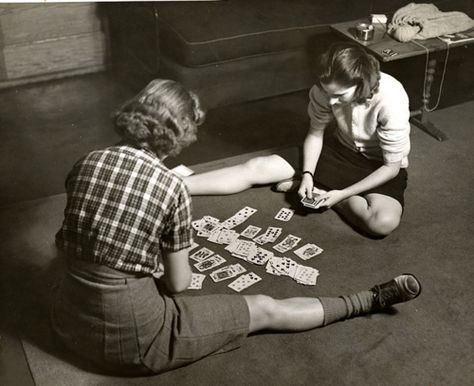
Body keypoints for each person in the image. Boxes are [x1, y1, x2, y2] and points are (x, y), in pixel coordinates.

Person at [51, 79, 421, 376]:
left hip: (67, 322)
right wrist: (158, 264)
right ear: (180, 135)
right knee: (262, 308)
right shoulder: (171, 187)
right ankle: (368, 300)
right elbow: (179, 286)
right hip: (133, 343)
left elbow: (72, 237)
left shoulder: (89, 159)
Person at [185, 42, 411, 237]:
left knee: (383, 222)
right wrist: (307, 175)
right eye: (327, 93)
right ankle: (179, 185)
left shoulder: (391, 98)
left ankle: (330, 196)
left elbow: (391, 168)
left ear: (361, 84)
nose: (331, 102)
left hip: (377, 166)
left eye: (339, 96)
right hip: (337, 151)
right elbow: (315, 134)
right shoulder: (324, 89)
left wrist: (342, 194)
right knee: (259, 166)